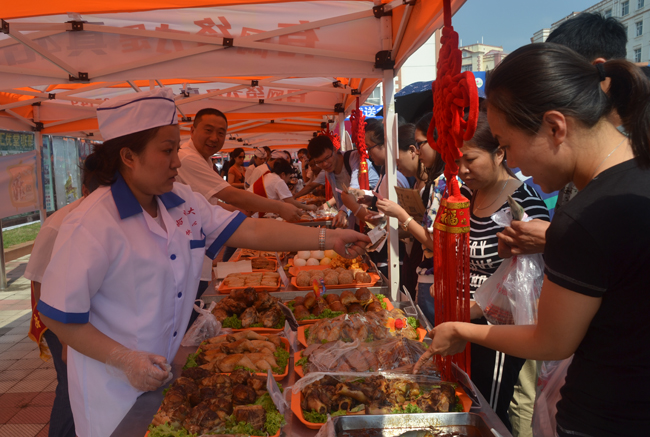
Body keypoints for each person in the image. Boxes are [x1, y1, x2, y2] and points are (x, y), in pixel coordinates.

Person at [37, 88, 370, 437]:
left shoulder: (178, 199)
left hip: (168, 377)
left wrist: (327, 239)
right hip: (114, 391)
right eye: (166, 151)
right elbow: (57, 314)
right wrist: (124, 359)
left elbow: (251, 232)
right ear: (128, 156)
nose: (177, 162)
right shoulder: (91, 223)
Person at [415, 43, 650, 436]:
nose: (514, 161)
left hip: (608, 417)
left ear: (555, 127)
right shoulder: (634, 181)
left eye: (507, 145)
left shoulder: (589, 216)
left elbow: (552, 340)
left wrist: (460, 330)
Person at [498, 12, 627, 259]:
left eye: (554, 80)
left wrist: (557, 237)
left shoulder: (634, 159)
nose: (512, 163)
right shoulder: (577, 152)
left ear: (596, 76)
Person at [176, 109, 301, 291]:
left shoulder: (203, 159)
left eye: (221, 133)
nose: (214, 137)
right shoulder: (188, 158)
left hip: (196, 248)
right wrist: (280, 207)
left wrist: (231, 208)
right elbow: (231, 194)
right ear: (192, 131)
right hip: (184, 249)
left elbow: (205, 202)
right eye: (208, 130)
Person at [24, 157, 100, 437]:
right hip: (62, 324)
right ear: (85, 189)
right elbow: (39, 284)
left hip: (90, 320)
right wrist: (67, 338)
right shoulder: (60, 224)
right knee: (71, 386)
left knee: (87, 388)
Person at [376, 114, 446, 325]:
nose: (418, 150)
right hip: (428, 274)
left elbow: (434, 241)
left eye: (420, 144)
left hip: (434, 276)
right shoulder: (436, 183)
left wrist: (402, 216)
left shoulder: (442, 184)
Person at [247, 158, 316, 214]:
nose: (288, 180)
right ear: (283, 174)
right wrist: (309, 207)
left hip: (248, 206)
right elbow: (291, 202)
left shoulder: (268, 175)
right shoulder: (278, 181)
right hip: (252, 212)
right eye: (288, 177)